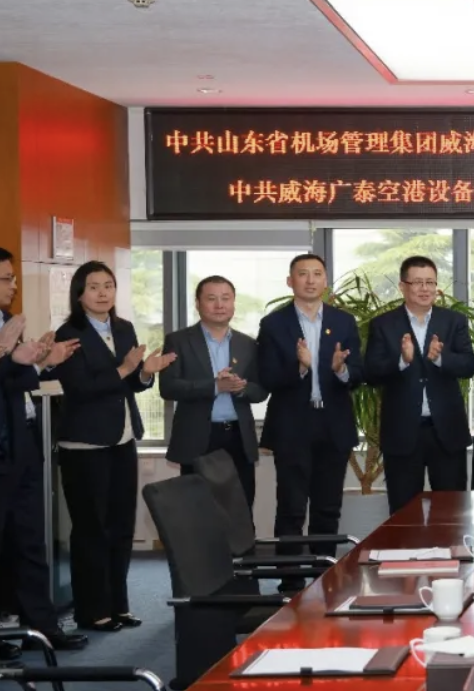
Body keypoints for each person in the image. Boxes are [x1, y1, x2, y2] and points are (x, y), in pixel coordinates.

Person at [51, 260, 176, 632]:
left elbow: (131, 385)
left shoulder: (123, 328)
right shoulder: (69, 334)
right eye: (93, 287)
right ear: (79, 294)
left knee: (121, 526)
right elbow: (80, 389)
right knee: (92, 528)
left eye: (108, 285)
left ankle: (118, 605)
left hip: (122, 438)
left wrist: (146, 372)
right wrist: (124, 369)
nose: (103, 293)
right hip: (84, 443)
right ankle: (92, 611)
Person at [257, 254, 363, 578]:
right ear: (290, 281)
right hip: (292, 427)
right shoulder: (274, 324)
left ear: (325, 281)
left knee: (327, 509)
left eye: (317, 273)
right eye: (303, 274)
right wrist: (300, 367)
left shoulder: (344, 322)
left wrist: (341, 369)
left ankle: (323, 578)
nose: (310, 280)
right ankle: (289, 582)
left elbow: (359, 373)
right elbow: (267, 377)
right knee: (291, 509)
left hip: (333, 426)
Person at [0, 249, 84, 653]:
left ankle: (41, 628)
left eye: (13, 277)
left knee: (29, 540)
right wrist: (11, 358)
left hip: (23, 442)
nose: (13, 285)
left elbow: (13, 382)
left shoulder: (7, 321)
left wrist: (41, 363)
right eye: (6, 279)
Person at [366, 256, 474, 514]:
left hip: (446, 432)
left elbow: (469, 365)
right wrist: (401, 361)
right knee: (404, 513)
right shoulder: (383, 324)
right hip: (402, 433)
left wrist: (440, 358)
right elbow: (371, 372)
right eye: (417, 282)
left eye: (430, 282)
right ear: (402, 286)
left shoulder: (454, 321)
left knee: (452, 513)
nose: (425, 289)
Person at [160, 275, 267, 508]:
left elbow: (260, 391)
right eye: (211, 299)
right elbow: (167, 387)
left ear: (233, 303)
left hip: (238, 437)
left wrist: (241, 388)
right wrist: (215, 386)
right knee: (199, 511)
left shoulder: (248, 344)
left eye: (226, 298)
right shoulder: (178, 341)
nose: (219, 305)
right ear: (198, 304)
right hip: (198, 437)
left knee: (240, 509)